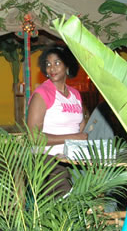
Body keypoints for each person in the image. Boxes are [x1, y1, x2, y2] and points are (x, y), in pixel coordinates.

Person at [27, 46, 87, 196]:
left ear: (67, 66)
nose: (51, 68)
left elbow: (80, 124)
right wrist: (73, 138)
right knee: (65, 204)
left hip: (73, 158)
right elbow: (33, 137)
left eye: (57, 63)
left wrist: (81, 133)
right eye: (48, 64)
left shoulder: (75, 94)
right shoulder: (42, 94)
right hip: (48, 160)